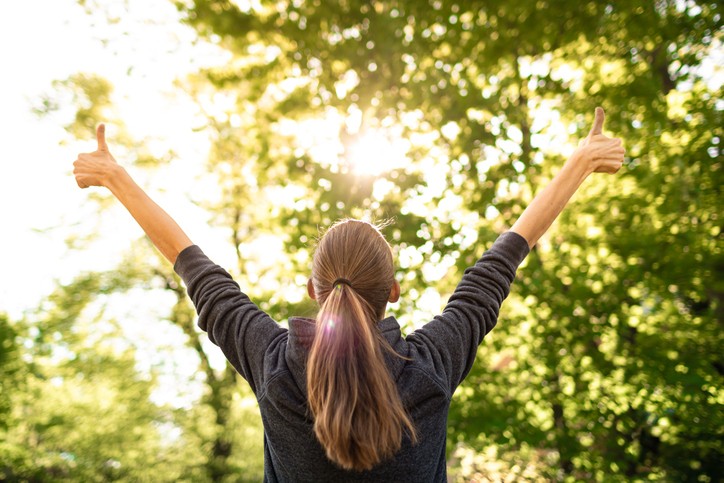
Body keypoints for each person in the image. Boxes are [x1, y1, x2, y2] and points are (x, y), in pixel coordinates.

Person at [72, 107, 624, 482]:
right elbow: (503, 259)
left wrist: (116, 177)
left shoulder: (276, 367)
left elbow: (193, 265)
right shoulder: (429, 367)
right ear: (395, 291)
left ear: (312, 290)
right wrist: (579, 162)